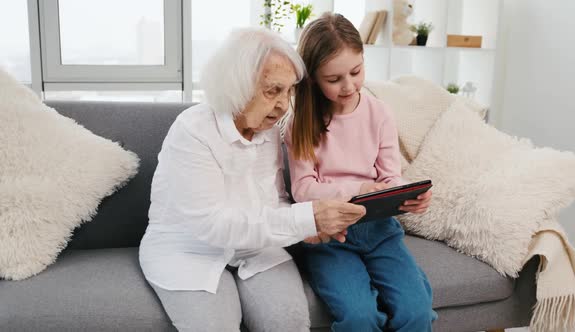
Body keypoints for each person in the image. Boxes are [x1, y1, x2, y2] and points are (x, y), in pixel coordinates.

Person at [138, 27, 366, 332]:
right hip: (187, 249)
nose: (284, 105)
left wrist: (309, 230)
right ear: (238, 85)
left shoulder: (270, 128)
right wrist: (305, 219)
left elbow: (275, 202)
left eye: (289, 91)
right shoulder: (192, 132)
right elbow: (213, 225)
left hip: (257, 246)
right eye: (273, 90)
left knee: (289, 323)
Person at [285, 13, 437, 332]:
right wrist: (360, 189)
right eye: (334, 79)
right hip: (329, 236)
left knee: (417, 310)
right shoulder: (300, 122)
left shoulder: (379, 113)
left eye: (356, 71)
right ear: (312, 78)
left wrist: (408, 195)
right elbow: (302, 189)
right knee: (359, 317)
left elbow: (390, 176)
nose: (349, 85)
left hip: (379, 231)